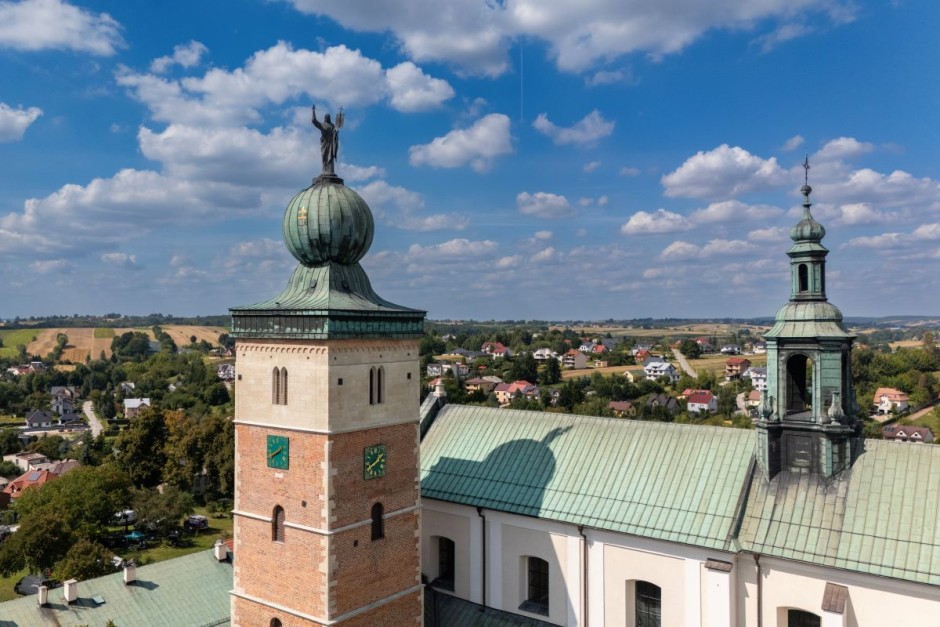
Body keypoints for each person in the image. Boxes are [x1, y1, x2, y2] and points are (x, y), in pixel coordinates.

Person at [311, 105, 338, 175]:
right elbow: (314, 121)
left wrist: (335, 132)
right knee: (324, 157)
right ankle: (324, 170)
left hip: (331, 144)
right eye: (326, 117)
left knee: (331, 157)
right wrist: (313, 111)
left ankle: (330, 171)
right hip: (324, 143)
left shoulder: (332, 125)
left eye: (328, 117)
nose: (327, 118)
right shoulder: (322, 125)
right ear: (324, 118)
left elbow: (336, 131)